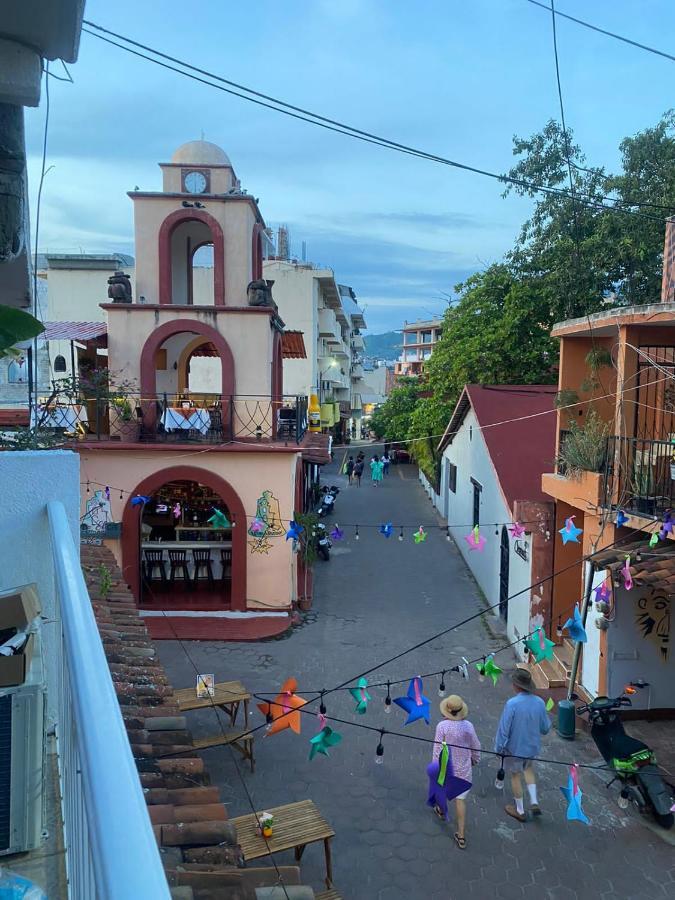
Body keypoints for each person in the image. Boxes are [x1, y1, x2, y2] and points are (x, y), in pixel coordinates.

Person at [494, 669, 551, 822]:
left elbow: (504, 730)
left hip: (515, 749)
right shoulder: (539, 702)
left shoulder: (512, 704)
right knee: (529, 769)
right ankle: (534, 801)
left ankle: (519, 810)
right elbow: (545, 728)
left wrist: (499, 748)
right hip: (532, 747)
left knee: (515, 775)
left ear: (516, 686)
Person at [431, 695, 481, 850]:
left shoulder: (442, 727)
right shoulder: (468, 726)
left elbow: (437, 748)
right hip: (464, 769)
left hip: (447, 767)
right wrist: (475, 759)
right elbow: (476, 745)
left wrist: (435, 766)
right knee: (460, 800)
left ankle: (440, 808)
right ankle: (461, 835)